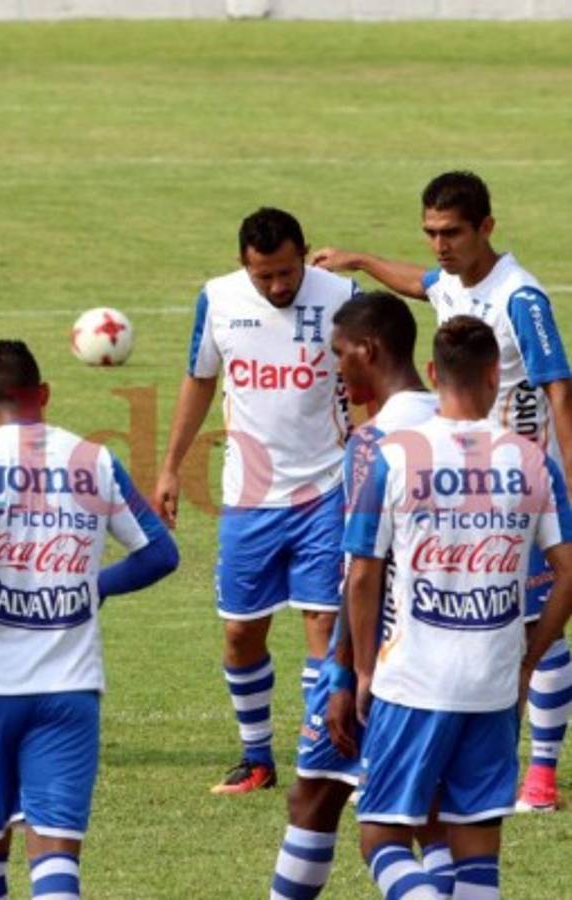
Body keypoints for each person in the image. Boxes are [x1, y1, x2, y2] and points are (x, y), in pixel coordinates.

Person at [313, 171, 572, 812]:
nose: (439, 245)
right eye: (430, 232)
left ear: (487, 226)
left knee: (541, 620)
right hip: (465, 476)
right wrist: (361, 260)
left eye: (451, 232)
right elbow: (420, 283)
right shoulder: (450, 281)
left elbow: (561, 392)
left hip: (523, 479)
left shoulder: (521, 299)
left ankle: (540, 770)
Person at [0, 340, 178, 900]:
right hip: (69, 690)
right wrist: (94, 584)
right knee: (55, 859)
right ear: (45, 395)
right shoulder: (94, 460)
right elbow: (160, 553)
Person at [346, 316, 572, 899]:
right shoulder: (531, 459)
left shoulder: (392, 457)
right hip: (494, 684)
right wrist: (528, 660)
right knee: (476, 848)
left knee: (382, 836)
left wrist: (365, 669)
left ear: (430, 374)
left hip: (413, 680)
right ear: (496, 376)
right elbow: (569, 571)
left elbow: (363, 573)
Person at [153, 207, 357, 794]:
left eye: (287, 272)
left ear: (305, 254)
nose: (277, 286)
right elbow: (199, 379)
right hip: (249, 496)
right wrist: (170, 468)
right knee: (243, 632)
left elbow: (371, 379)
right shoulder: (217, 299)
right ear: (244, 265)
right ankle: (256, 759)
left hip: (328, 487)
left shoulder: (343, 294)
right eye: (263, 275)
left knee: (323, 622)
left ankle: (324, 759)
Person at [270, 291, 444, 899]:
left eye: (340, 354)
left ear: (368, 350)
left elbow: (361, 572)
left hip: (384, 655)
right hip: (455, 655)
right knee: (437, 819)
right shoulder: (455, 423)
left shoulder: (373, 443)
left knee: (317, 795)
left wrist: (343, 673)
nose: (335, 368)